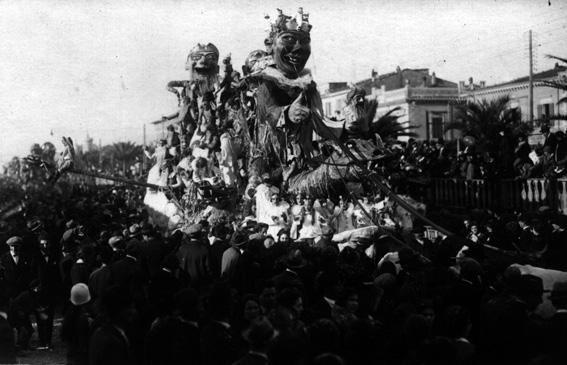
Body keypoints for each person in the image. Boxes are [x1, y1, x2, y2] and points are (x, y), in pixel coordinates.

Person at [61, 283, 92, 365]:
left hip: (72, 352)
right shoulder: (84, 318)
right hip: (83, 355)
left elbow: (63, 335)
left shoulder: (69, 314)